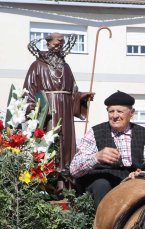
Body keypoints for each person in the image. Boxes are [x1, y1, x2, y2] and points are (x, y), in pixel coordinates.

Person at [23, 32, 94, 177]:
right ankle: (49, 178)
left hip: (66, 113)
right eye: (56, 43)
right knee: (50, 142)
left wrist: (82, 97)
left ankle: (66, 179)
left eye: (61, 44)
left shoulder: (66, 67)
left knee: (66, 143)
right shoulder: (37, 65)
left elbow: (73, 92)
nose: (59, 47)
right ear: (48, 44)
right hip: (48, 112)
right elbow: (28, 90)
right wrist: (34, 112)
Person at [70, 90, 145, 207]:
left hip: (133, 183)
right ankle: (102, 219)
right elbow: (74, 169)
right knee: (101, 185)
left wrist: (142, 174)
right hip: (101, 183)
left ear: (131, 113)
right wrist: (96, 157)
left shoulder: (144, 134)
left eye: (120, 111)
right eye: (111, 111)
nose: (115, 116)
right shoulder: (95, 132)